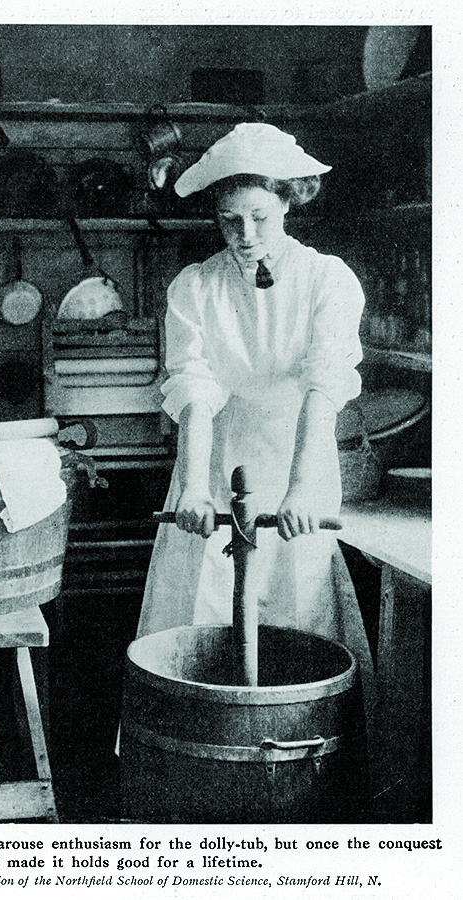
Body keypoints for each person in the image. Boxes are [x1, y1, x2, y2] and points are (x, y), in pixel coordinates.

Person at [137, 122, 373, 691]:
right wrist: (194, 487)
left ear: (288, 202)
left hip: (299, 455)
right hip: (216, 457)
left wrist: (301, 489)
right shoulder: (196, 287)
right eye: (230, 220)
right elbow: (195, 394)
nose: (245, 235)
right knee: (202, 608)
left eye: (260, 218)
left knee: (300, 613)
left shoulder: (327, 280)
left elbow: (322, 390)